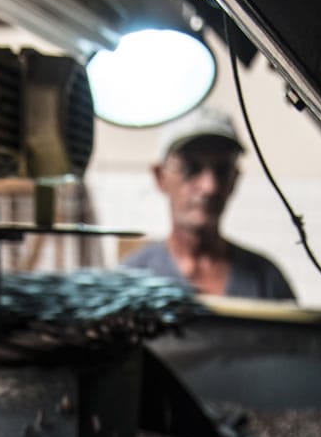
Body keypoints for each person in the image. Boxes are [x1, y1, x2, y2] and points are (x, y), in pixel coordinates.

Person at [122, 105, 295, 300]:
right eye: (191, 168)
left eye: (222, 170)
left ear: (234, 180)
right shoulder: (131, 280)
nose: (209, 187)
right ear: (160, 177)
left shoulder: (266, 281)